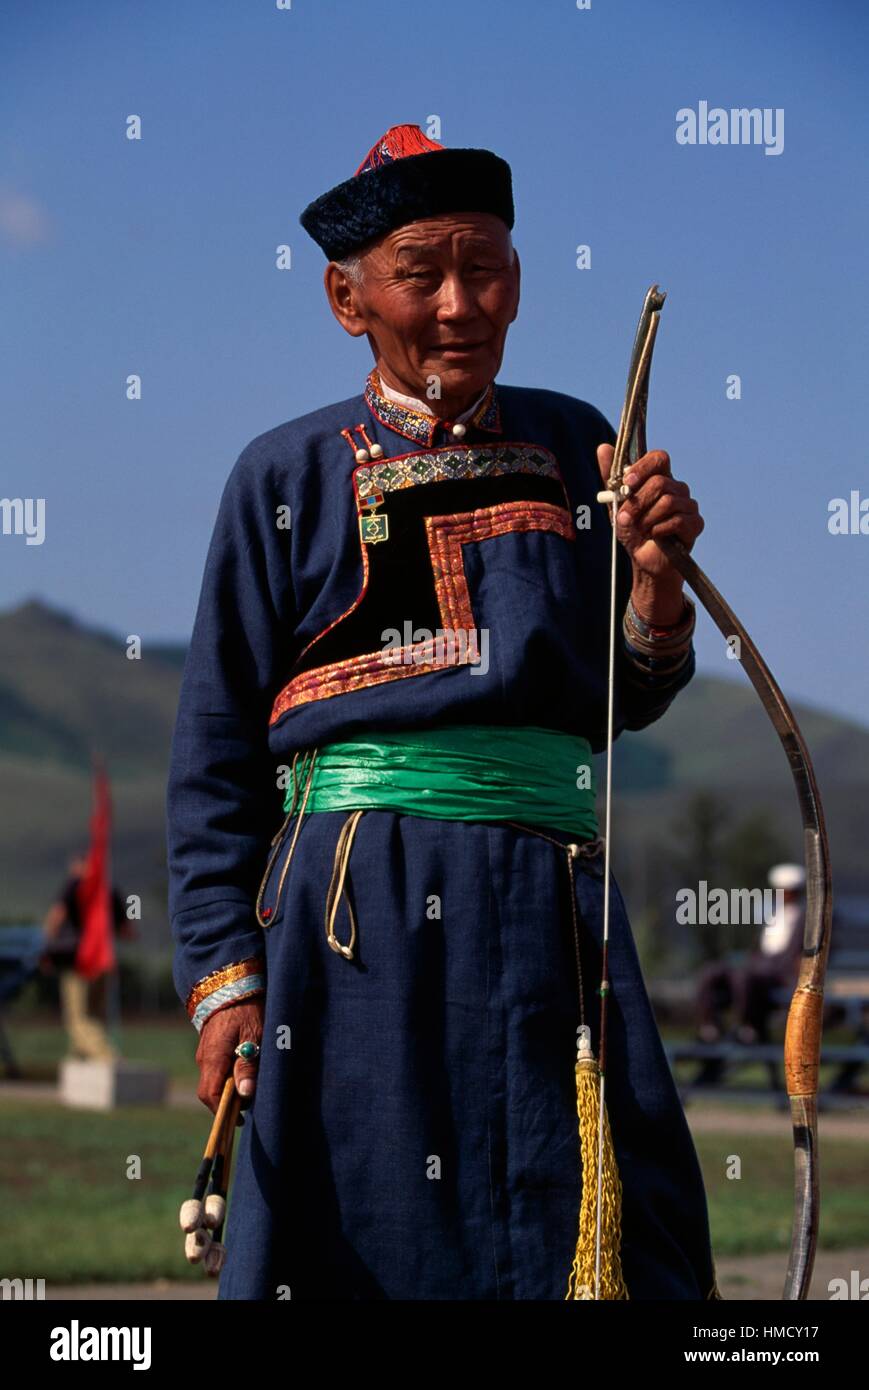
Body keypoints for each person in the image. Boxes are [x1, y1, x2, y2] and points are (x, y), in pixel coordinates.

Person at [167, 124, 718, 1300]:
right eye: (423, 273)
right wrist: (226, 976)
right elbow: (215, 760)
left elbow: (621, 701)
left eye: (489, 269)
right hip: (351, 923)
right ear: (345, 297)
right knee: (363, 1232)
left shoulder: (578, 445)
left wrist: (657, 585)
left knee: (605, 1227)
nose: (462, 304)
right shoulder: (285, 477)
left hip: (554, 907)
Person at [696, 863, 806, 1046]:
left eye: (786, 891)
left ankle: (747, 1028)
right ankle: (709, 1027)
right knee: (710, 972)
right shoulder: (771, 913)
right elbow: (757, 948)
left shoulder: (807, 917)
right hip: (756, 966)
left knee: (743, 977)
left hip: (778, 973)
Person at [42, 854, 131, 1061]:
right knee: (97, 1014)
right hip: (103, 961)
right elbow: (127, 928)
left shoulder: (75, 885)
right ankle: (79, 1059)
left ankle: (107, 1057)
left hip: (79, 960)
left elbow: (57, 916)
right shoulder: (109, 889)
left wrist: (46, 949)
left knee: (78, 1018)